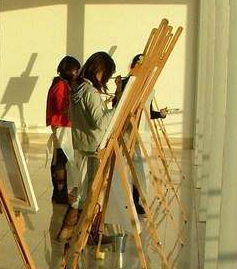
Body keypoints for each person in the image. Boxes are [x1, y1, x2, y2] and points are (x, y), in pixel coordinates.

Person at [57, 51, 122, 242]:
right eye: (107, 75)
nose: (107, 79)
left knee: (84, 190)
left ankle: (68, 230)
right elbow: (100, 123)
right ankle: (87, 234)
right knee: (92, 192)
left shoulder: (77, 88)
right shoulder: (90, 92)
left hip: (82, 144)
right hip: (95, 147)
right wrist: (117, 109)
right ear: (101, 71)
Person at [122, 53, 167, 215]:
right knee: (128, 167)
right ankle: (127, 200)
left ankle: (136, 200)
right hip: (129, 131)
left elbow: (147, 111)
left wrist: (159, 114)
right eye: (139, 63)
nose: (141, 67)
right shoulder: (127, 83)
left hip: (143, 132)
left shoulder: (148, 85)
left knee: (140, 168)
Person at [46, 56, 81, 203]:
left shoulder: (60, 83)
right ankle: (60, 191)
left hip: (62, 125)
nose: (77, 73)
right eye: (76, 71)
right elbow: (63, 108)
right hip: (62, 125)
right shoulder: (61, 86)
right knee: (62, 158)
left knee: (60, 158)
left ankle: (60, 190)